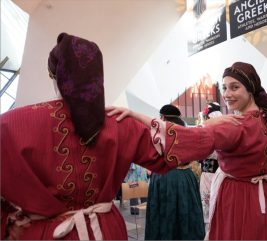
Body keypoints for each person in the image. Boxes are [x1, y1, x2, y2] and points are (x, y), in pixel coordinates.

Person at [0, 33, 184, 240]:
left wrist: (7, 220)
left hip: (45, 233)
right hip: (105, 230)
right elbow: (178, 149)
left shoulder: (10, 124)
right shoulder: (121, 123)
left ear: (54, 75)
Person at [107, 61, 267, 240]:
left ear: (251, 89)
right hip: (263, 197)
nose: (227, 94)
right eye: (224, 88)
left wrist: (137, 116)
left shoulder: (235, 126)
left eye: (235, 87)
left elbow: (188, 139)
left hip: (239, 199)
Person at [144, 104, 205, 240]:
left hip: (164, 177)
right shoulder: (185, 131)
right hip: (186, 177)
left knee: (163, 217)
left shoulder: (160, 132)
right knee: (187, 214)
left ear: (163, 116)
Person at [198, 102, 222, 231]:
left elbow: (200, 152)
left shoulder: (208, 130)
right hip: (222, 173)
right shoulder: (225, 127)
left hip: (209, 173)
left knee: (207, 206)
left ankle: (210, 233)